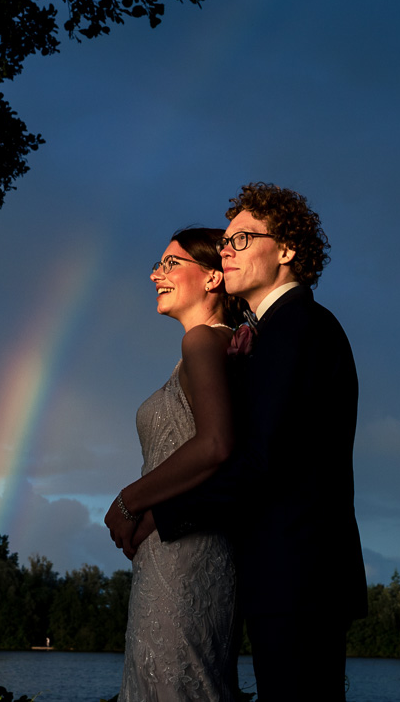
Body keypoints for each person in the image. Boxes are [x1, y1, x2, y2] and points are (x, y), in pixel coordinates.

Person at [114, 183, 367, 702]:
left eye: (242, 239)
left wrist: (158, 513)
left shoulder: (298, 326)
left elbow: (257, 460)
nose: (227, 250)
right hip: (281, 574)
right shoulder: (272, 331)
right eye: (225, 242)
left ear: (287, 251)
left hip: (300, 573)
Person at [105, 227, 244, 702]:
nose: (154, 274)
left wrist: (128, 500)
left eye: (170, 264)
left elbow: (216, 445)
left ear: (211, 279)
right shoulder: (224, 346)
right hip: (180, 549)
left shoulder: (203, 342)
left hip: (183, 555)